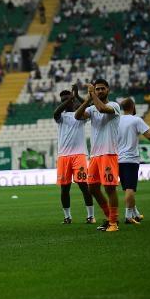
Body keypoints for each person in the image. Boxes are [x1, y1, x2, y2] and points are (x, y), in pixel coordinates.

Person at [75, 79, 121, 232]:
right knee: (92, 188)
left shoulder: (114, 105)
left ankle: (114, 223)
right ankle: (109, 218)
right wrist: (87, 99)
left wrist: (92, 94)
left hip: (109, 153)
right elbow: (77, 116)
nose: (100, 91)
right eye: (97, 89)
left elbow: (102, 109)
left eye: (102, 89)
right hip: (95, 155)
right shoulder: (93, 107)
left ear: (108, 89)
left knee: (110, 189)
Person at [118, 98, 150, 223]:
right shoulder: (136, 120)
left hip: (118, 159)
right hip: (131, 159)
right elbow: (149, 135)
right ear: (133, 106)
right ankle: (128, 216)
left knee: (126, 189)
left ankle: (135, 214)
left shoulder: (116, 120)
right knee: (130, 189)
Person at [53, 86, 95, 224]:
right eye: (63, 100)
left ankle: (90, 216)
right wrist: (69, 99)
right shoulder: (61, 116)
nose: (64, 102)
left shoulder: (81, 114)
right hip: (63, 157)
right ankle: (67, 217)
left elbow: (90, 104)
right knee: (65, 189)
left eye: (67, 99)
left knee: (84, 185)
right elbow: (56, 112)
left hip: (79, 155)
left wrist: (76, 96)